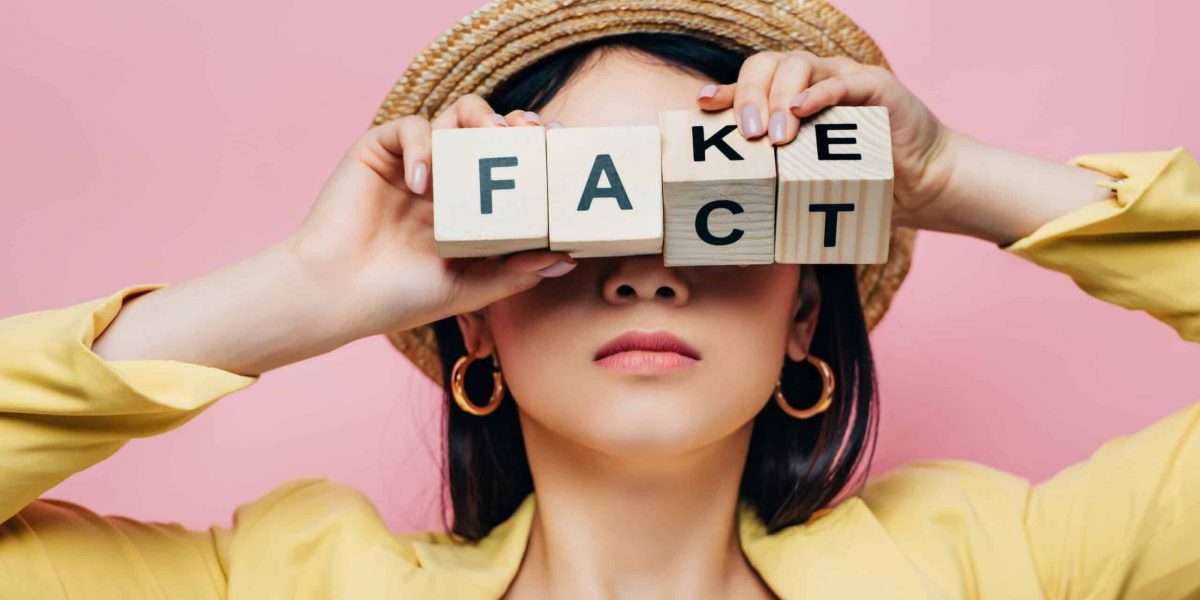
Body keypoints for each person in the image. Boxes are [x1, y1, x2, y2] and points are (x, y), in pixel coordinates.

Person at [2, 1, 1198, 598]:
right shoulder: (290, 579)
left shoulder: (1002, 567)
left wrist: (954, 177)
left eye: (715, 211)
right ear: (473, 314)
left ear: (804, 316)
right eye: (568, 218)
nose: (645, 264)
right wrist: (305, 291)